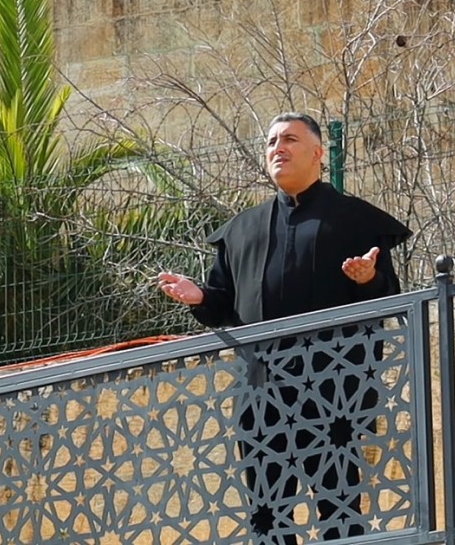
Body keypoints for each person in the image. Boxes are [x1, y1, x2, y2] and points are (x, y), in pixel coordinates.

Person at [157, 112, 410, 543]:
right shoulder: (242, 230)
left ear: (317, 153)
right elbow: (223, 304)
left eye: (290, 139)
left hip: (333, 391)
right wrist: (199, 297)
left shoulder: (355, 220)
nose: (278, 148)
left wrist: (368, 278)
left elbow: (388, 296)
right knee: (267, 516)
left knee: (339, 509)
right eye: (272, 141)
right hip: (262, 396)